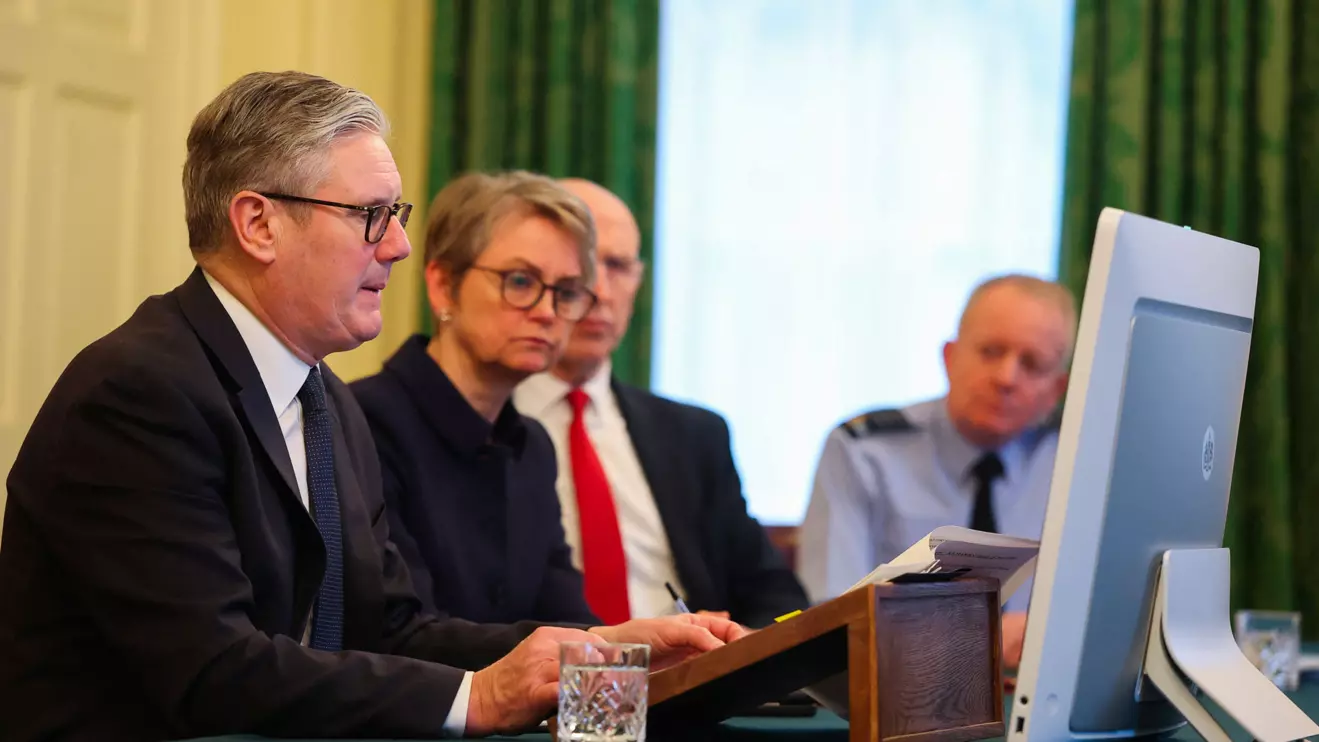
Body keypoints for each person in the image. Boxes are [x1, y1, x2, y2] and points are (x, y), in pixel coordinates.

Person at [0, 71, 744, 742]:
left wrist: (599, 647)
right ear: (258, 223)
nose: (397, 246)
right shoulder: (138, 391)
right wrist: (477, 696)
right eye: (371, 215)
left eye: (397, 214)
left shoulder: (323, 400)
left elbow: (388, 628)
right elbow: (210, 670)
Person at [514, 178, 808, 629]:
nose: (601, 293)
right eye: (583, 266)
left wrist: (741, 651)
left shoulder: (692, 435)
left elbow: (775, 597)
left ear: (639, 279)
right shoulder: (478, 424)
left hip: (693, 684)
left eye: (618, 266)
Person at [350, 171, 600, 625]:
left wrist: (642, 650)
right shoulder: (362, 421)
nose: (547, 312)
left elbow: (565, 617)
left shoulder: (532, 446)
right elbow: (398, 634)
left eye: (566, 292)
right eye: (521, 281)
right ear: (443, 286)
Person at [798, 274, 1075, 668]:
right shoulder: (865, 451)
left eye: (1031, 364)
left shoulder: (1077, 462)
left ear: (1057, 389)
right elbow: (830, 624)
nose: (1006, 378)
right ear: (949, 357)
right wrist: (985, 639)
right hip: (898, 692)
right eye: (991, 351)